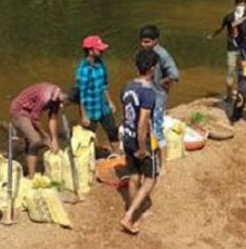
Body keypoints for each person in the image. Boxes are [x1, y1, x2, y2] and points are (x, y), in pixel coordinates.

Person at [119, 49, 160, 234]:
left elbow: (126, 112)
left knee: (134, 176)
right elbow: (143, 122)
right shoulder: (148, 92)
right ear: (152, 69)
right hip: (139, 140)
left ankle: (132, 210)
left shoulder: (127, 86)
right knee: (151, 178)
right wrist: (142, 149)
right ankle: (129, 216)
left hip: (126, 136)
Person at [139, 25, 179, 171]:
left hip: (158, 97)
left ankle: (163, 165)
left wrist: (163, 82)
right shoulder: (143, 54)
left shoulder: (162, 55)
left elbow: (175, 74)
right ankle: (151, 153)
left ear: (156, 41)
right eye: (142, 41)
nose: (144, 45)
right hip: (146, 96)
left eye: (147, 42)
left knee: (157, 128)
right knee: (146, 125)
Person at [9, 83, 68, 178]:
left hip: (30, 110)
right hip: (19, 111)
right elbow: (34, 119)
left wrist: (54, 139)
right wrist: (45, 136)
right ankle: (31, 175)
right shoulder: (45, 97)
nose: (63, 105)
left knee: (35, 141)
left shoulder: (57, 98)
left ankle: (30, 166)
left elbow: (52, 119)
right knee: (36, 140)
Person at [75, 35, 119, 156]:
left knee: (112, 131)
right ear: (90, 51)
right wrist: (84, 116)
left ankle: (117, 154)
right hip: (90, 109)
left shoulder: (100, 64)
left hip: (103, 106)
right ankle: (92, 158)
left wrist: (110, 102)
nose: (102, 51)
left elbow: (104, 85)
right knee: (89, 137)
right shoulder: (84, 70)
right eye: (99, 49)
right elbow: (81, 95)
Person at [207, 0, 246, 101]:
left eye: (243, 4)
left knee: (244, 71)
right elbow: (221, 28)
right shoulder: (229, 17)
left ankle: (242, 95)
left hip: (245, 48)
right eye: (239, 4)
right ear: (235, 5)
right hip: (232, 47)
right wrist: (213, 35)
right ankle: (229, 95)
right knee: (231, 71)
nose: (241, 6)